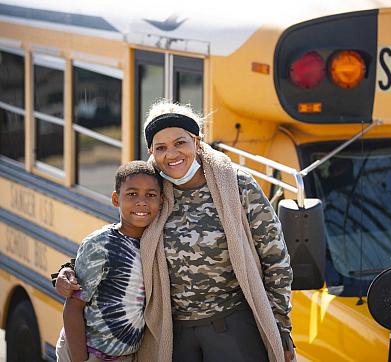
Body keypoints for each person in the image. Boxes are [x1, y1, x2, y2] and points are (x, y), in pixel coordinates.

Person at [55, 100, 295, 362]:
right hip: (173, 333)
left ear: (197, 141)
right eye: (161, 147)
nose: (171, 154)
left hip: (233, 327)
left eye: (180, 143)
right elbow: (122, 240)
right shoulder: (153, 190)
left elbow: (275, 259)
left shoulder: (237, 186)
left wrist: (280, 325)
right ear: (152, 152)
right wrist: (69, 270)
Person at [54, 161, 163, 362]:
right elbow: (73, 306)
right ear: (115, 199)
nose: (141, 202)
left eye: (151, 195)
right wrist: (80, 359)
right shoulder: (100, 244)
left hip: (126, 355)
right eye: (131, 194)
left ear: (161, 200)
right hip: (88, 352)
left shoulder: (155, 243)